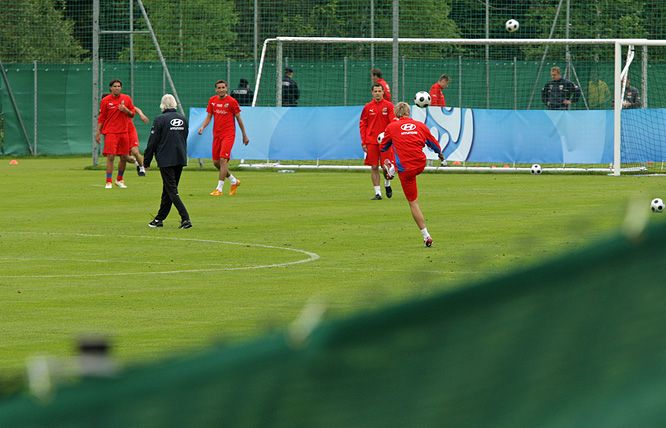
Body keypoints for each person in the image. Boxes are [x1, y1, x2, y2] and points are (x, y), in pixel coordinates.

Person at [380, 102, 444, 247]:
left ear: (396, 114)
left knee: (413, 203)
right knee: (403, 156)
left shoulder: (391, 127)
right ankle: (392, 168)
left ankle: (426, 236)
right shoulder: (420, 125)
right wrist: (440, 155)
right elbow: (433, 144)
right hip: (421, 164)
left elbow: (383, 147)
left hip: (406, 170)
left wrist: (387, 154)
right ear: (409, 113)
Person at [143, 94, 191, 229]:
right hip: (180, 158)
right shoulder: (183, 119)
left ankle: (185, 218)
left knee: (172, 190)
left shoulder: (160, 119)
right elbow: (184, 137)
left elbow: (152, 142)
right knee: (168, 190)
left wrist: (146, 162)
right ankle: (159, 219)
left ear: (162, 105)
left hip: (166, 159)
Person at [197, 79, 250, 196]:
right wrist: (202, 127)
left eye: (223, 87)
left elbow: (239, 119)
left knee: (223, 160)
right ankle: (234, 181)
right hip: (216, 135)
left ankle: (219, 189)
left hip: (228, 135)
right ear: (216, 89)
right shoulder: (212, 101)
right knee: (216, 163)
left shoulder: (232, 101)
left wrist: (244, 135)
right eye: (219, 88)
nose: (221, 90)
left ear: (226, 88)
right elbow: (209, 117)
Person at [95, 79, 136, 189]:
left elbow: (132, 114)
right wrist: (97, 132)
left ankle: (119, 180)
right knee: (111, 156)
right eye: (115, 86)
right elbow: (101, 117)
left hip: (124, 132)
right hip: (111, 132)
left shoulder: (126, 98)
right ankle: (108, 181)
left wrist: (125, 110)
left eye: (119, 86)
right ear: (110, 88)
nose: (117, 88)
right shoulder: (105, 100)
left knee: (123, 157)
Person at [359, 83, 396, 200]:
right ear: (372, 93)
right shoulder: (367, 107)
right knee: (374, 167)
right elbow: (363, 124)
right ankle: (378, 193)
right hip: (371, 141)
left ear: (383, 92)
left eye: (379, 91)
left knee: (386, 167)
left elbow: (392, 123)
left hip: (385, 142)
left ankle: (387, 184)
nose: (377, 93)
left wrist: (390, 138)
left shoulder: (389, 106)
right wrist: (364, 141)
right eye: (375, 91)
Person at [127, 106, 150, 176]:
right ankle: (136, 162)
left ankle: (142, 168)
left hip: (130, 131)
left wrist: (141, 114)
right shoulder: (106, 110)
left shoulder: (122, 103)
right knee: (125, 157)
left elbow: (135, 108)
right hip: (119, 132)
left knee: (135, 151)